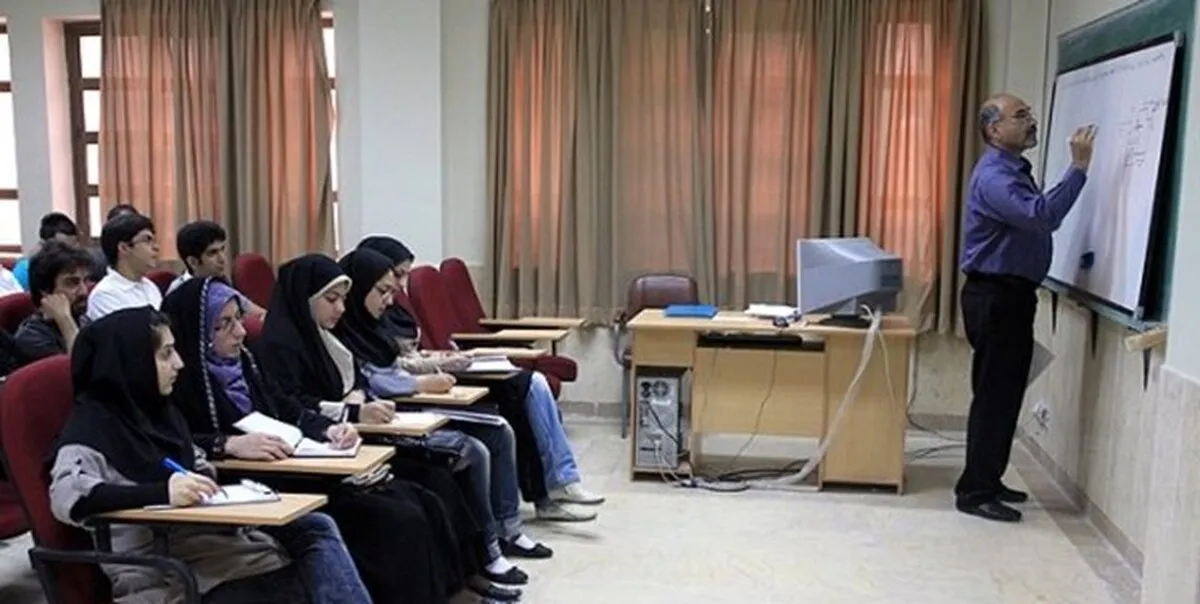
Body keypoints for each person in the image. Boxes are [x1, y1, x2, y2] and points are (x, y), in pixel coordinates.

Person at [162, 277, 515, 603]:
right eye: (224, 324)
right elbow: (183, 442)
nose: (240, 332)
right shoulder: (183, 382)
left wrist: (330, 429)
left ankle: (456, 587)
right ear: (196, 331)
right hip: (258, 486)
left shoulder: (245, 365)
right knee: (398, 519)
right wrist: (227, 444)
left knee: (423, 497)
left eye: (238, 319)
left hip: (300, 466)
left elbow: (289, 409)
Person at [47, 307, 367, 603]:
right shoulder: (90, 430)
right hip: (170, 570)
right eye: (165, 354)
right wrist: (162, 492)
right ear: (131, 363)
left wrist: (209, 483)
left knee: (315, 526)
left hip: (217, 544)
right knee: (306, 584)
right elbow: (68, 499)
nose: (179, 363)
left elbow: (198, 462)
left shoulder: (160, 415)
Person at [254, 255, 537, 589]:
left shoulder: (325, 338)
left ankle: (465, 578)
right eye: (331, 299)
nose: (341, 308)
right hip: (318, 465)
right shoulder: (278, 347)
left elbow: (358, 381)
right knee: (413, 508)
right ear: (305, 298)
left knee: (439, 486)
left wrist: (358, 399)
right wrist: (352, 412)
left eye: (343, 299)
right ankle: (459, 578)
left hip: (353, 445)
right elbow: (291, 407)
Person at [357, 236, 603, 521]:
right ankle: (549, 490)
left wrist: (444, 357)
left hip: (441, 372)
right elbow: (391, 369)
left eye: (403, 277)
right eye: (395, 277)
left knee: (526, 390)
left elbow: (411, 355)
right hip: (422, 391)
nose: (400, 287)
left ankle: (557, 483)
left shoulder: (392, 310)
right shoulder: (362, 320)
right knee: (520, 397)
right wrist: (437, 366)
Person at [956, 93, 1096, 523]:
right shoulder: (995, 177)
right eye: (1020, 116)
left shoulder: (1013, 170)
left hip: (1010, 297)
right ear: (994, 129)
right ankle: (975, 492)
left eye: (1029, 114)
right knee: (995, 396)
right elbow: (1042, 216)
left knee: (1006, 393)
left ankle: (989, 479)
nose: (1030, 120)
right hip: (996, 297)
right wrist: (1078, 169)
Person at [13, 241, 93, 363]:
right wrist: (66, 323)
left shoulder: (82, 320)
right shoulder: (32, 339)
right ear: (45, 290)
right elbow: (80, 370)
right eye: (72, 283)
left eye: (86, 281)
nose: (84, 291)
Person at [167, 220, 266, 316]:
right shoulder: (178, 295)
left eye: (222, 249)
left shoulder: (218, 282)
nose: (222, 259)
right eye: (212, 253)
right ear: (193, 262)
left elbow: (257, 313)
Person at [88, 213, 162, 320]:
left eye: (154, 241)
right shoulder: (105, 295)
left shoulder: (150, 287)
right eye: (147, 240)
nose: (156, 247)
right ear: (124, 248)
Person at [11, 212, 82, 290]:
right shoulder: (25, 270)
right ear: (44, 244)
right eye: (63, 248)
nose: (70, 254)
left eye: (73, 246)